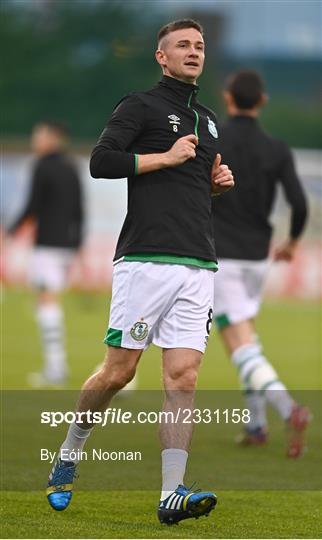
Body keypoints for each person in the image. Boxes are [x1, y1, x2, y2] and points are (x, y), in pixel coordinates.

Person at [46, 19, 234, 525]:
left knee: (184, 378)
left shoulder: (212, 121)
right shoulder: (140, 105)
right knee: (119, 371)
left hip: (199, 263)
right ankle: (69, 449)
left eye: (199, 45)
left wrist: (216, 183)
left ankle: (171, 493)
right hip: (146, 259)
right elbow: (101, 162)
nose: (193, 52)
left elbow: (191, 186)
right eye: (182, 45)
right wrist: (165, 156)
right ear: (161, 56)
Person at [212, 70, 310, 458]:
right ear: (263, 101)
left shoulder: (213, 138)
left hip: (220, 255)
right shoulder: (277, 148)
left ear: (227, 98)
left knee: (237, 343)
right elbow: (299, 204)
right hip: (257, 257)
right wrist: (291, 243)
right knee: (246, 337)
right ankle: (256, 425)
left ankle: (288, 409)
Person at [9, 121, 84, 387]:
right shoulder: (72, 166)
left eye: (39, 135)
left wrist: (12, 230)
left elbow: (32, 205)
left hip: (47, 245)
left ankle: (55, 366)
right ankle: (56, 365)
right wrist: (78, 245)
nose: (35, 140)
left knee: (46, 301)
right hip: (67, 246)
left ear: (53, 138)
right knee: (49, 299)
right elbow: (80, 208)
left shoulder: (41, 165)